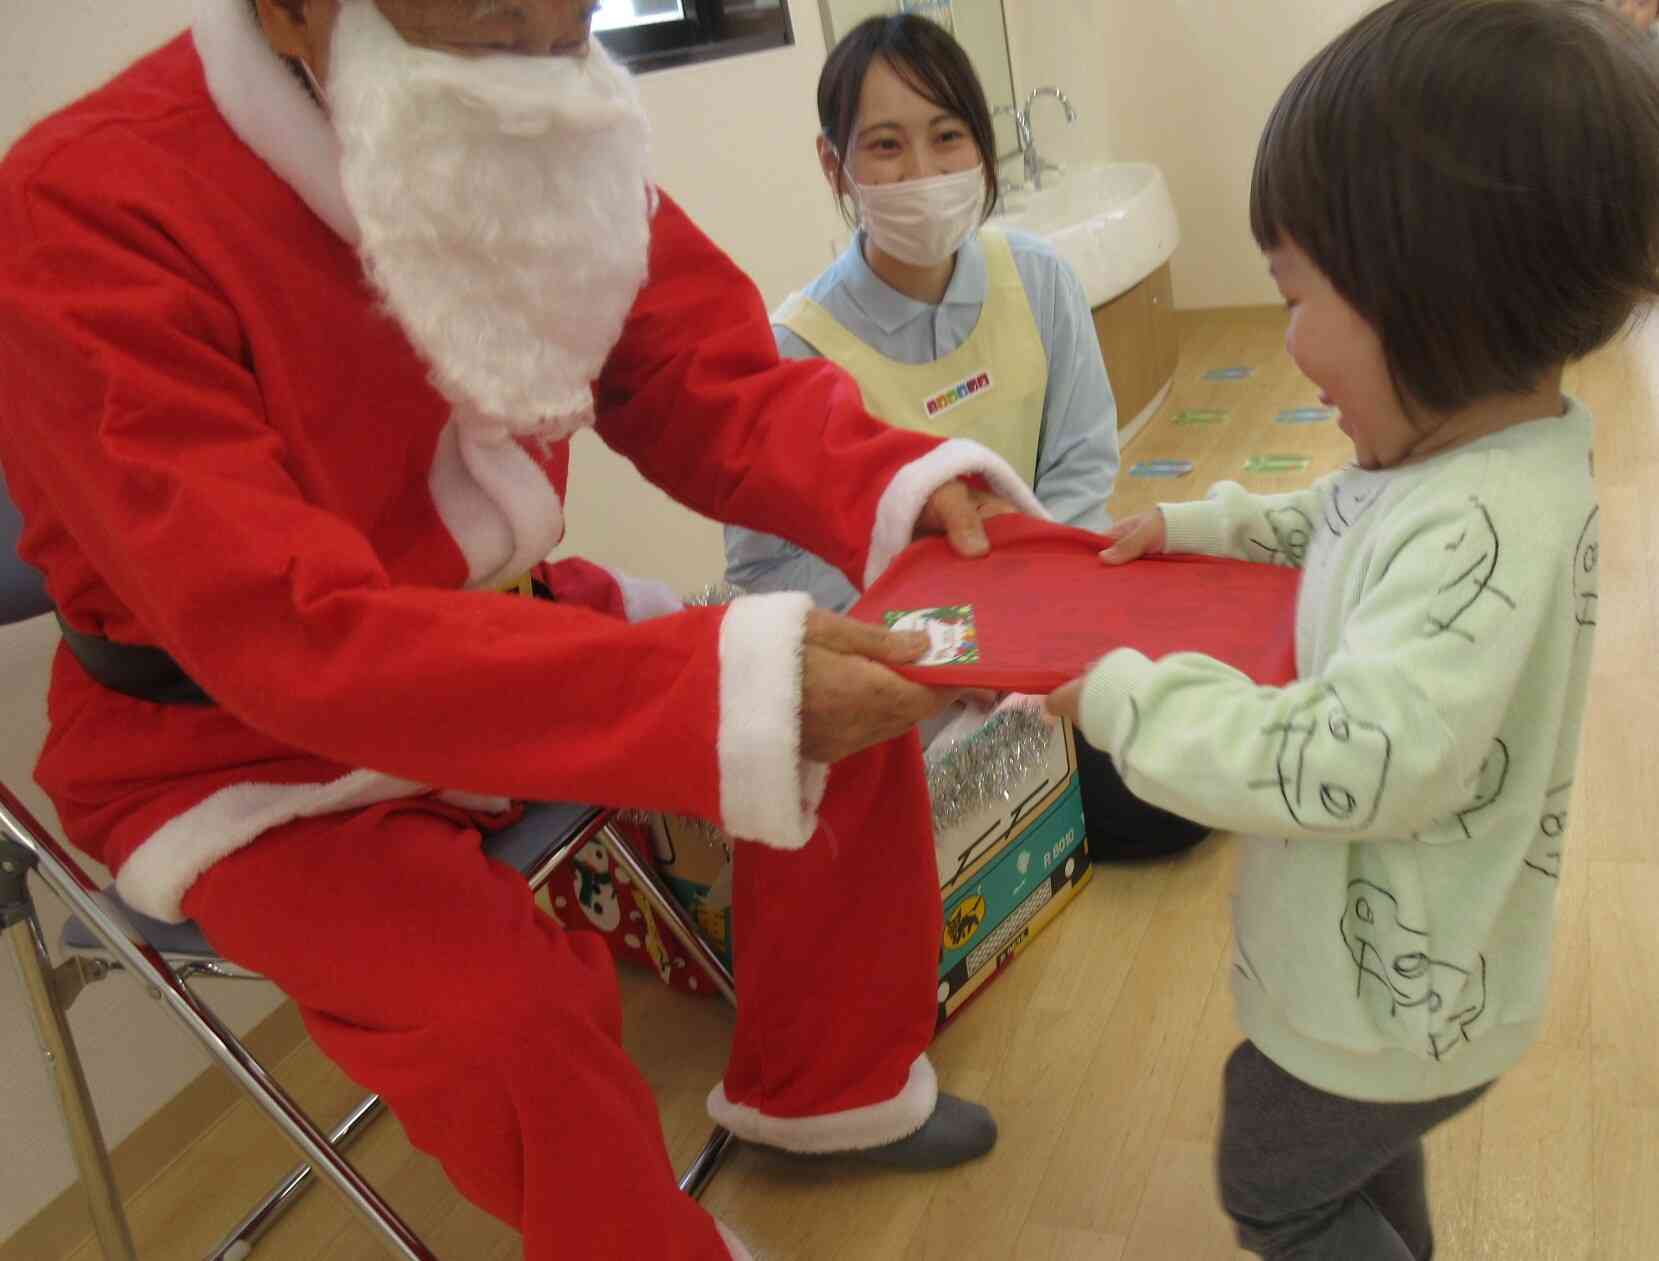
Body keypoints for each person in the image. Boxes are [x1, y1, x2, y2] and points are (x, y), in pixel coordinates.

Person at [0, 2, 1064, 1257]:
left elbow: (688, 370)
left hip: (508, 631)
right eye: (492, 22)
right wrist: (715, 690)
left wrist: (890, 481)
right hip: (236, 749)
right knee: (502, 1017)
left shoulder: (526, 99)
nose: (544, 50)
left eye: (565, 17)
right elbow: (282, 632)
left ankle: (829, 1086)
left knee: (836, 706)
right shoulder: (83, 207)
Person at [1045, 1, 1659, 1256]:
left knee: (1277, 1177)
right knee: (1361, 1166)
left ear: (1428, 291)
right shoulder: (1482, 456)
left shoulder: (1478, 524)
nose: (1286, 342)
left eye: (1296, 294)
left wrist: (1128, 697)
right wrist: (1207, 525)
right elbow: (1345, 519)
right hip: (1427, 984)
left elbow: (1349, 758)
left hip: (1384, 1002)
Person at [724, 14, 1207, 862]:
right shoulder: (794, 349)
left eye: (947, 136)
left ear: (982, 146)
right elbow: (765, 569)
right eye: (885, 146)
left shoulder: (1039, 280)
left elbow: (1080, 466)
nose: (923, 172)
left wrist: (1024, 624)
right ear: (832, 164)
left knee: (1193, 757)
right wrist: (939, 648)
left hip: (1047, 619)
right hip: (905, 673)